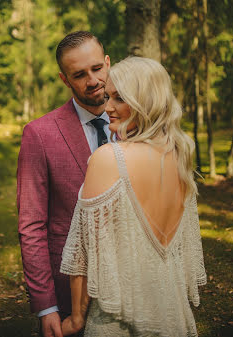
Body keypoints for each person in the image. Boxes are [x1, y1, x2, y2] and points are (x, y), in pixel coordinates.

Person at [60, 56, 207, 337]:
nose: (108, 107)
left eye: (119, 98)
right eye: (108, 96)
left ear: (146, 101)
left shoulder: (109, 159)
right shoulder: (179, 159)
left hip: (118, 321)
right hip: (173, 315)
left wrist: (76, 319)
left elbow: (83, 256)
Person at [17, 31, 111, 337]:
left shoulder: (138, 124)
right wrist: (46, 306)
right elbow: (31, 225)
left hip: (132, 284)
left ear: (108, 63)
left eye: (97, 68)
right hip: (69, 288)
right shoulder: (39, 134)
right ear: (64, 79)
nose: (93, 80)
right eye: (79, 74)